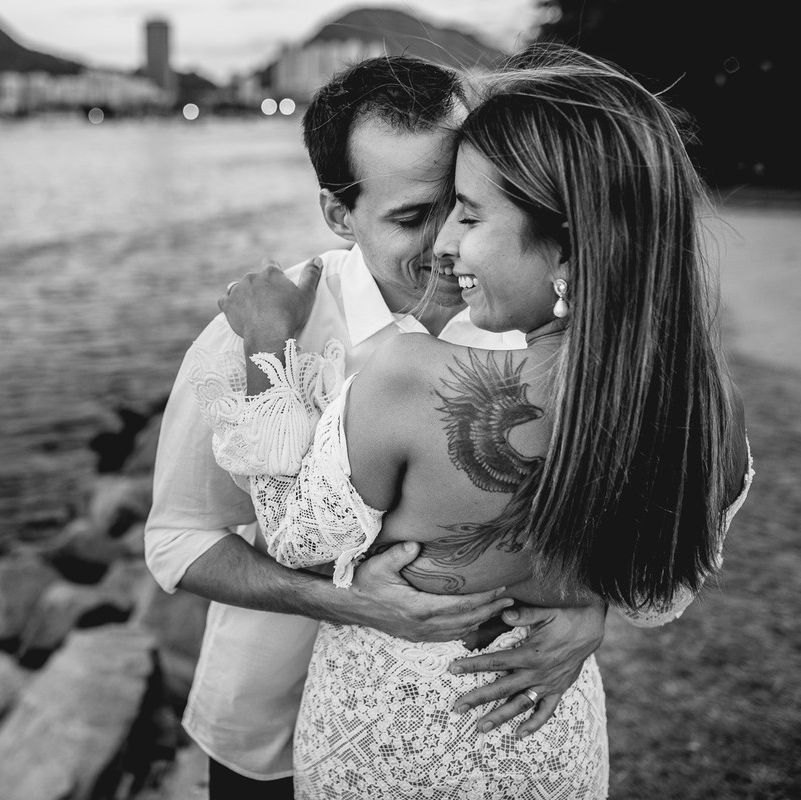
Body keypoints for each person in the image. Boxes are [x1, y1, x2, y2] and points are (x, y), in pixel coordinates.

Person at [193, 44, 753, 797]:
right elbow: (656, 594)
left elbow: (294, 534)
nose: (447, 245)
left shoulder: (410, 380)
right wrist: (583, 606)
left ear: (566, 246)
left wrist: (268, 346)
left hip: (384, 750)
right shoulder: (703, 404)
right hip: (546, 743)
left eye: (470, 213)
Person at [144, 55, 609, 798]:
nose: (449, 239)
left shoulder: (529, 320)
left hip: (462, 730)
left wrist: (593, 610)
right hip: (268, 720)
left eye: (464, 200)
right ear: (338, 213)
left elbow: (593, 503)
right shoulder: (251, 336)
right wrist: (340, 600)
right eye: (411, 216)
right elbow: (176, 539)